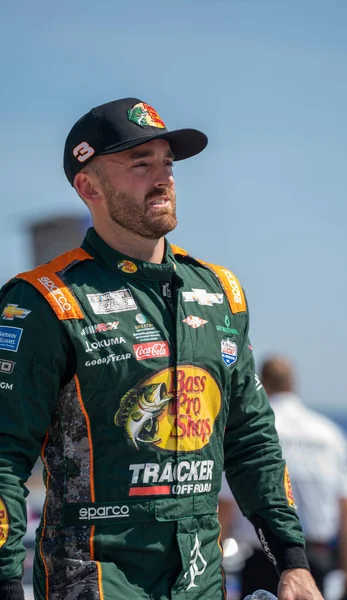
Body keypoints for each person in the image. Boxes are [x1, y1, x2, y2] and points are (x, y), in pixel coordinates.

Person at [0, 97, 322, 600]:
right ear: (88, 186)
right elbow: (4, 454)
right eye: (139, 163)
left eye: (167, 162)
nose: (163, 177)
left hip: (201, 578)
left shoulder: (220, 292)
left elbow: (250, 438)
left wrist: (292, 561)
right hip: (98, 579)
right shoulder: (44, 299)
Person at [219, 355, 347, 598]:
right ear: (292, 383)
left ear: (261, 383)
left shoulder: (249, 434)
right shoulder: (331, 435)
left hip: (261, 558)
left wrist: (216, 567)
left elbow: (225, 507)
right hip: (317, 561)